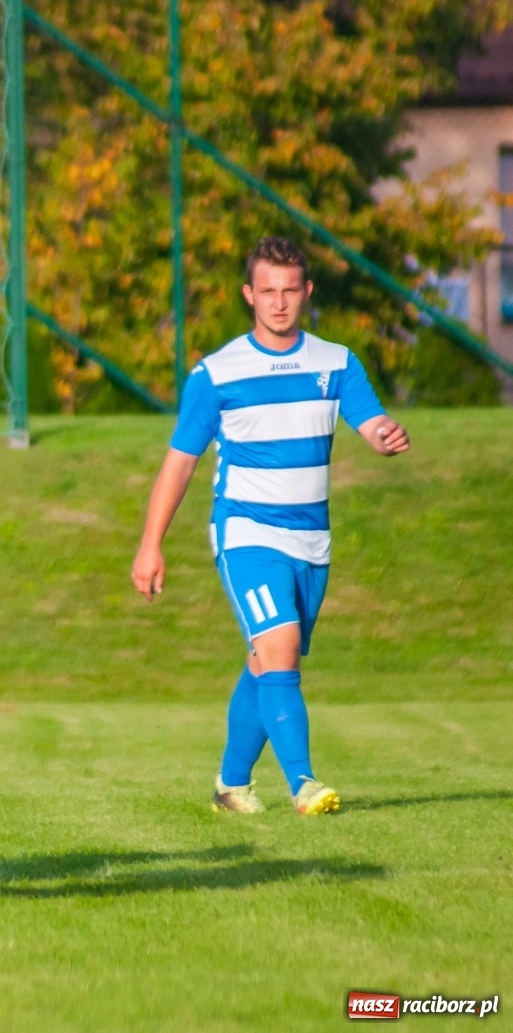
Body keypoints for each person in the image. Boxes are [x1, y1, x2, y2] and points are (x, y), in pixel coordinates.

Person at [131, 236, 410, 815]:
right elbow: (179, 464)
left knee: (266, 661)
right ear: (248, 295)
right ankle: (304, 784)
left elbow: (371, 422)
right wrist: (150, 545)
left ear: (307, 292)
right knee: (280, 649)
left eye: (289, 290)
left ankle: (231, 786)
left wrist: (386, 437)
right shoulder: (216, 374)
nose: (279, 303)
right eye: (267, 291)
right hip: (247, 533)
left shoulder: (336, 362)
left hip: (312, 541)